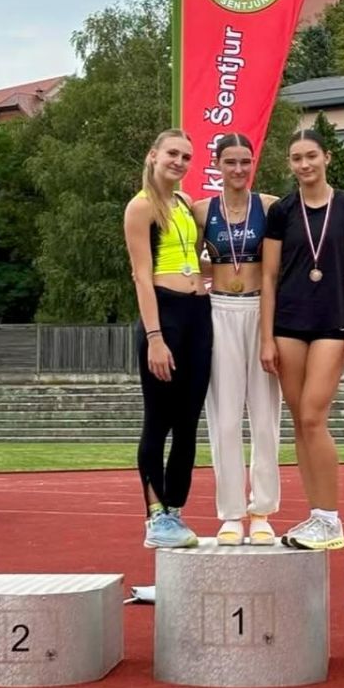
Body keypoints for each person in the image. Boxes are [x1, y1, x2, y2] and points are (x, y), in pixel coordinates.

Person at [260, 129, 344, 551]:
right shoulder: (282, 211)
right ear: (289, 164)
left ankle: (330, 518)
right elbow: (269, 277)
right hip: (288, 325)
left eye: (311, 156)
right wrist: (266, 337)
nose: (304, 164)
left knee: (312, 417)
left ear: (327, 157)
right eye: (296, 158)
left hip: (333, 324)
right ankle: (316, 516)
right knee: (300, 422)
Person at [123, 128, 212, 548]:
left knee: (188, 423)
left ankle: (176, 509)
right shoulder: (141, 206)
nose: (179, 162)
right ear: (153, 155)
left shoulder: (185, 203)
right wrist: (155, 337)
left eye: (186, 157)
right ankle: (155, 516)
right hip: (164, 315)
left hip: (198, 315)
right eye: (172, 154)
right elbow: (141, 276)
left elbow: (196, 259)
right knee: (158, 421)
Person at [193, 133, 281, 546]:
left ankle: (261, 511)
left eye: (245, 161)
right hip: (220, 310)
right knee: (225, 419)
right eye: (230, 162)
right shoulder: (201, 211)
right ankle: (231, 514)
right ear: (217, 165)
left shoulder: (270, 207)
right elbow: (186, 262)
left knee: (264, 418)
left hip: (261, 311)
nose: (239, 169)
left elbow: (281, 266)